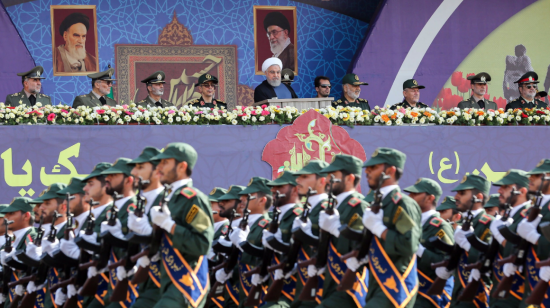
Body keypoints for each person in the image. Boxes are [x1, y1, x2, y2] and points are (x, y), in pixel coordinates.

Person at [148, 142, 214, 308]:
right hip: (167, 281)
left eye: (165, 162)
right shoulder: (169, 198)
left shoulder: (192, 199)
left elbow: (202, 244)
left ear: (182, 166)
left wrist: (170, 225)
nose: (159, 167)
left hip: (186, 283)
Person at [361, 148, 421, 308]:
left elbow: (408, 245)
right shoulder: (378, 203)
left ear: (391, 170)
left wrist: (379, 228)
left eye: (374, 168)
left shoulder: (402, 204)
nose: (367, 171)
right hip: (376, 283)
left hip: (395, 285)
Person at [313, 154, 369, 308]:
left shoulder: (358, 206)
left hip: (349, 287)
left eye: (334, 175)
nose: (329, 179)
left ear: (350, 178)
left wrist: (336, 229)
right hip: (331, 282)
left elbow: (359, 244)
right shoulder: (335, 205)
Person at [435, 174, 494, 308]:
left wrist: (468, 244)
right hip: (458, 292)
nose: (456, 197)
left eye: (462, 193)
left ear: (478, 197)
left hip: (477, 296)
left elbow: (489, 259)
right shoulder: (461, 225)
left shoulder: (489, 224)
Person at [403, 178, 454, 308]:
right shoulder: (410, 222)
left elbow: (447, 261)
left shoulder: (439, 227)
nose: (410, 197)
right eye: (410, 193)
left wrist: (420, 251)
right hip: (409, 289)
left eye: (415, 194)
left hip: (428, 293)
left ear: (429, 198)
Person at [489, 169, 530, 308]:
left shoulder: (529, 215)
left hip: (518, 294)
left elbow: (525, 250)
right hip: (500, 292)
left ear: (523, 191)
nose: (500, 190)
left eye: (506, 187)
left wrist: (501, 236)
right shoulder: (508, 217)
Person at [262, 171, 302, 308]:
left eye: (280, 187)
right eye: (273, 187)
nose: (274, 190)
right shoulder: (277, 216)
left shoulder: (298, 215)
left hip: (292, 286)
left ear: (295, 190)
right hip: (274, 283)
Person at [292, 160, 329, 307]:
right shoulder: (310, 209)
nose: (298, 180)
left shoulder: (326, 208)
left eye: (305, 177)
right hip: (304, 283)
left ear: (322, 181)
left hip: (321, 285)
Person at [516, 159, 550, 304]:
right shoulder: (534, 206)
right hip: (531, 277)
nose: (530, 178)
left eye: (536, 176)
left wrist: (534, 237)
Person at [0, 197, 37, 306]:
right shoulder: (12, 240)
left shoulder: (31, 237)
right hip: (11, 298)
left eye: (11, 213)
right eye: (6, 214)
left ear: (26, 216)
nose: (7, 217)